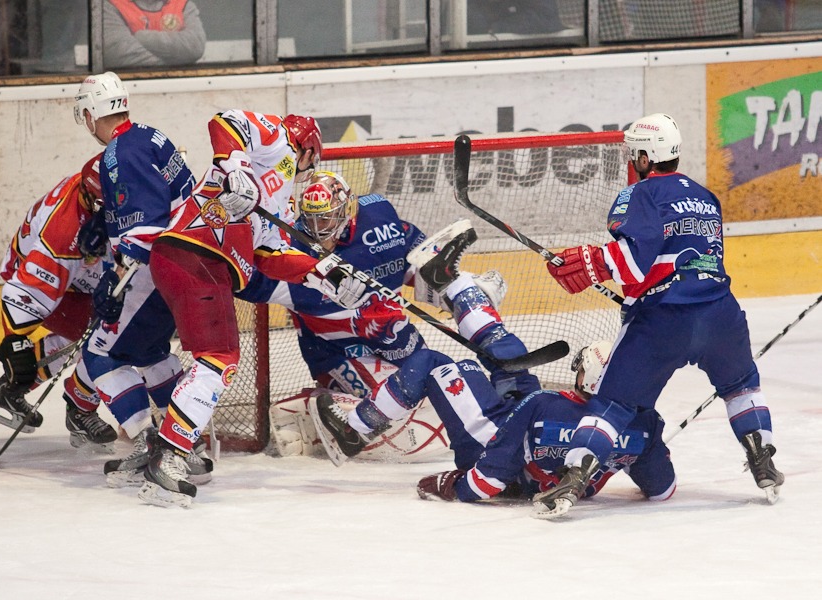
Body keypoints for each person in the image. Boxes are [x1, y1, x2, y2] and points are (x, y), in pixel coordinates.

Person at [535, 113, 784, 518]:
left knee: (613, 405)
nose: (632, 161)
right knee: (741, 386)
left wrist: (591, 262)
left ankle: (574, 477)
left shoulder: (639, 194)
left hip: (663, 320)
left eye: (634, 154)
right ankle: (763, 460)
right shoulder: (706, 197)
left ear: (645, 157)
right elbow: (683, 255)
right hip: (721, 313)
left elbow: (635, 260)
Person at [142, 112, 367, 507]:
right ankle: (169, 453)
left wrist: (320, 273)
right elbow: (225, 121)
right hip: (195, 254)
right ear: (309, 149)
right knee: (218, 359)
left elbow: (269, 255)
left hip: (197, 263)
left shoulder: (282, 203)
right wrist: (237, 169)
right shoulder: (278, 140)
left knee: (214, 358)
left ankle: (170, 445)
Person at [238, 170, 515, 466]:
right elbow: (243, 279)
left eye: (327, 218)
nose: (318, 229)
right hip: (340, 353)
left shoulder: (379, 220)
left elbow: (415, 262)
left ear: (347, 209)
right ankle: (308, 406)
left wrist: (458, 288)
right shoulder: (290, 255)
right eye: (312, 219)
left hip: (397, 338)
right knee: (400, 419)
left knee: (444, 395)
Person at [73, 71, 210, 488]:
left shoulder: (117, 154)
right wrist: (107, 219)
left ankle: (151, 443)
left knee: (100, 353)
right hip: (185, 266)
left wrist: (113, 281)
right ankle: (188, 445)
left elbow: (147, 226)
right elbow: (160, 201)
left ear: (91, 113)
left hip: (154, 269)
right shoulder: (149, 135)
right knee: (150, 353)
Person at [414, 340, 676, 509]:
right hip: (553, 481)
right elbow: (662, 490)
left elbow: (490, 480)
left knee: (442, 365)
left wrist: (457, 487)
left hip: (499, 465)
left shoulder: (541, 404)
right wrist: (643, 447)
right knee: (513, 369)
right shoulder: (646, 422)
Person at [0, 153, 118, 452]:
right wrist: (15, 344)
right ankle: (81, 410)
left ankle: (8, 390)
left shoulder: (95, 184)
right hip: (41, 277)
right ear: (89, 197)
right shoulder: (64, 236)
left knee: (96, 332)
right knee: (109, 334)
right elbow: (23, 293)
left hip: (71, 278)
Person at [103, 0, 207, 69]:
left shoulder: (182, 4)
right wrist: (173, 68)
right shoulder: (110, 5)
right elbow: (117, 53)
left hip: (179, 86)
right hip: (129, 87)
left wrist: (141, 38)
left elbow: (195, 47)